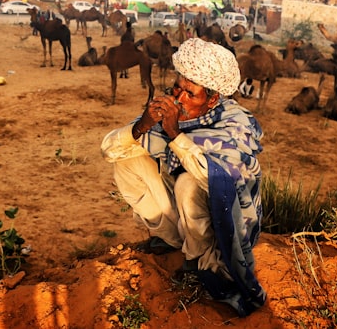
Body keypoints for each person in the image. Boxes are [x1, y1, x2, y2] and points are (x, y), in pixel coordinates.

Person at [101, 37, 266, 317]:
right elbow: (108, 150)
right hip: (186, 211)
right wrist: (142, 126)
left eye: (191, 93)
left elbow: (217, 180)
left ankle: (199, 262)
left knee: (189, 182)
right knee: (127, 158)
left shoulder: (236, 123)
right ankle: (169, 238)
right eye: (177, 87)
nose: (179, 97)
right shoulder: (174, 109)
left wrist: (175, 134)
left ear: (213, 97)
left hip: (225, 221)